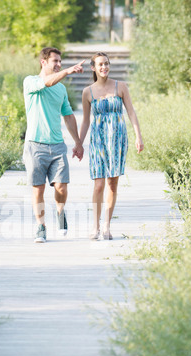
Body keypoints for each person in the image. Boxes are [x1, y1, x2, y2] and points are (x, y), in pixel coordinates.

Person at [23, 47, 85, 243]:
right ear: (44, 62)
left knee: (61, 187)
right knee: (38, 189)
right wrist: (67, 71)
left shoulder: (61, 89)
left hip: (57, 145)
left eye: (60, 61)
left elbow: (68, 115)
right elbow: (47, 82)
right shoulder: (31, 81)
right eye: (55, 61)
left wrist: (78, 142)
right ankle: (41, 226)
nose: (58, 64)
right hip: (35, 145)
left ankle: (60, 212)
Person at [79, 52, 144, 240]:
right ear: (93, 68)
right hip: (98, 141)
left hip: (117, 140)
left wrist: (138, 136)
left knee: (112, 184)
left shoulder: (120, 87)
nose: (104, 67)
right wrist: (78, 143)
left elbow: (131, 113)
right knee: (98, 184)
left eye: (106, 64)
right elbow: (85, 122)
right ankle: (95, 226)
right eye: (100, 64)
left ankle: (107, 224)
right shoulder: (88, 92)